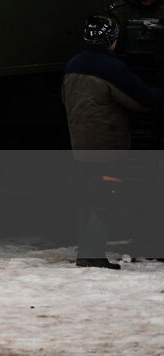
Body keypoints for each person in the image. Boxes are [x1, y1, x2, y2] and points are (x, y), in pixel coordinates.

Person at [61, 14, 164, 269]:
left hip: (80, 144)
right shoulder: (112, 69)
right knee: (105, 197)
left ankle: (87, 250)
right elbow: (146, 101)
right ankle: (91, 254)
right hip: (106, 146)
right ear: (112, 41)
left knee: (89, 197)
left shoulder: (72, 65)